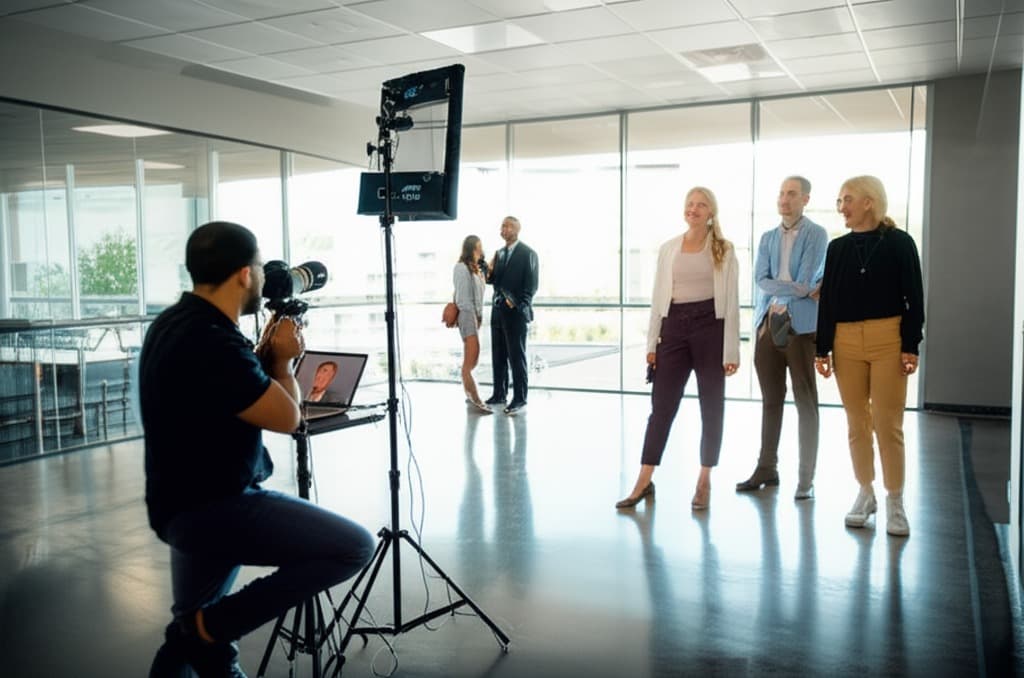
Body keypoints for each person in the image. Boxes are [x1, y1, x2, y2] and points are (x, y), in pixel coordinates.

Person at [141, 221, 375, 677]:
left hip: (178, 506)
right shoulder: (215, 343)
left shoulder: (173, 324)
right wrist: (284, 361)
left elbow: (228, 396)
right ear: (244, 274)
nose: (266, 276)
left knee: (187, 638)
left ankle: (202, 635)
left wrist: (264, 358)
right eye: (261, 266)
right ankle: (214, 627)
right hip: (219, 507)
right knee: (353, 547)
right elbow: (288, 418)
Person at [616, 186, 740, 511]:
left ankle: (704, 479)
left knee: (711, 406)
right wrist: (652, 342)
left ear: (711, 212)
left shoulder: (724, 249)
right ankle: (644, 480)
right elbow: (658, 298)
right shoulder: (668, 248)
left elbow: (731, 302)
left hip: (711, 328)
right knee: (661, 407)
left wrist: (731, 351)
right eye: (690, 204)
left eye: (701, 205)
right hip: (673, 329)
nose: (693, 209)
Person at [815, 176, 924, 537]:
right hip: (845, 341)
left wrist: (911, 344)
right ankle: (865, 492)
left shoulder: (900, 243)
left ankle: (895, 501)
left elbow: (914, 298)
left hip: (888, 339)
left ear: (868, 202)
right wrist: (822, 348)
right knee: (856, 422)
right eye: (840, 200)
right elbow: (828, 300)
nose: (841, 207)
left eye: (847, 199)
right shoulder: (837, 248)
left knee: (888, 423)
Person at [737, 176, 828, 500]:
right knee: (771, 400)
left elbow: (807, 278)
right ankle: (766, 468)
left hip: (801, 329)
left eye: (791, 193)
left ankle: (805, 480)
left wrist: (797, 287)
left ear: (805, 199)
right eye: (781, 193)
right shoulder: (767, 238)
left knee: (806, 402)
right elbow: (762, 280)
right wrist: (801, 290)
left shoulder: (817, 234)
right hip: (768, 325)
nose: (784, 199)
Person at [484, 216, 539, 415]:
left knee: (516, 357)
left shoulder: (528, 253)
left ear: (517, 229)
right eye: (502, 226)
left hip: (515, 313)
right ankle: (499, 393)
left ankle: (520, 398)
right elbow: (493, 280)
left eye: (507, 226)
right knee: (498, 355)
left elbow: (532, 285)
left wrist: (517, 304)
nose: (503, 229)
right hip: (497, 311)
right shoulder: (499, 254)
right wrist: (486, 269)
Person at [454, 235, 492, 414]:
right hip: (468, 316)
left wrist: (479, 316)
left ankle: (470, 395)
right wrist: (473, 317)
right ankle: (477, 400)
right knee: (469, 364)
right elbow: (462, 298)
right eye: (479, 246)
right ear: (473, 248)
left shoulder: (476, 269)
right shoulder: (461, 268)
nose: (481, 249)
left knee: (472, 361)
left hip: (474, 317)